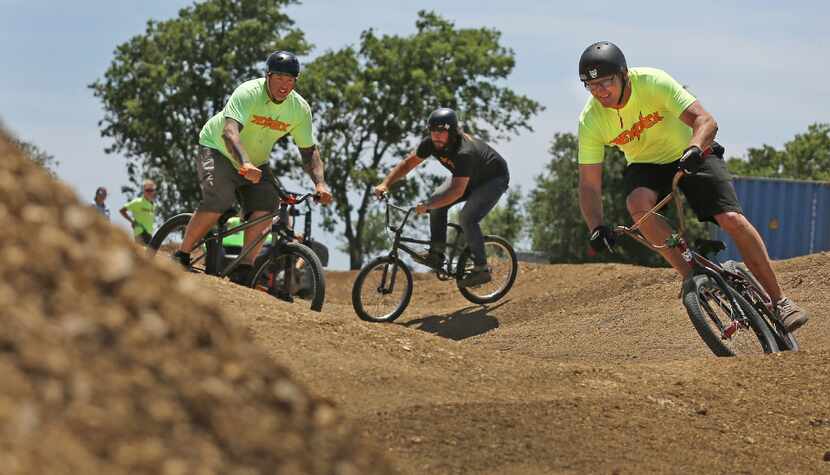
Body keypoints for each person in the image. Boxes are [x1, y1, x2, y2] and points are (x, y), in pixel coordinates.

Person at [575, 41, 808, 332]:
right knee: (637, 204)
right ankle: (692, 277)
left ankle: (780, 300)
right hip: (646, 165)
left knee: (731, 219)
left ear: (625, 74)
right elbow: (589, 185)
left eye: (606, 82)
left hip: (691, 150)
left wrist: (696, 147)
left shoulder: (653, 82)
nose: (600, 92)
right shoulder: (591, 120)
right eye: (590, 85)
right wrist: (595, 226)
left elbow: (705, 120)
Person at [173, 50, 332, 285]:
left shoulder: (299, 109)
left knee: (268, 204)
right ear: (267, 76)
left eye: (290, 80)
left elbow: (309, 151)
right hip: (218, 149)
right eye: (279, 78)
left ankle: (244, 268)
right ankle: (181, 255)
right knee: (219, 198)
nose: (284, 85)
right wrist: (243, 162)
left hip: (256, 161)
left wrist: (319, 183)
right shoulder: (248, 92)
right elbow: (229, 132)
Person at [373, 107, 510, 287]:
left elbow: (457, 192)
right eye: (432, 130)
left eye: (441, 131)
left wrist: (429, 206)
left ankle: (482, 269)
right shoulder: (430, 143)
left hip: (492, 179)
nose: (436, 135)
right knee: (436, 200)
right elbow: (407, 164)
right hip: (467, 177)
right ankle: (436, 255)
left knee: (467, 217)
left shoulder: (464, 152)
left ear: (452, 132)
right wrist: (385, 183)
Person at [120, 179, 156, 245]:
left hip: (149, 234)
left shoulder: (153, 205)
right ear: (143, 190)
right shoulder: (137, 202)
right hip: (140, 233)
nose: (149, 192)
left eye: (151, 190)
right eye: (147, 190)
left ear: (154, 191)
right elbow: (122, 210)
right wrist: (132, 221)